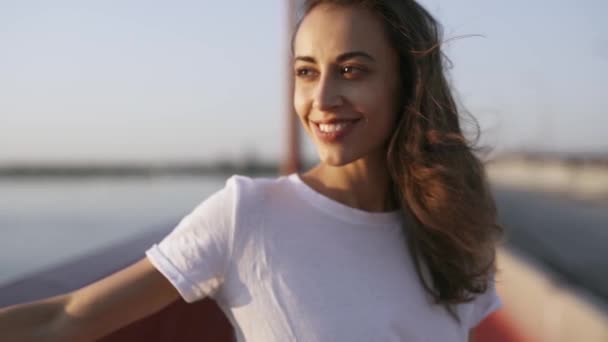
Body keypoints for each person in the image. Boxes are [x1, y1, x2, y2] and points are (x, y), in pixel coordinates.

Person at [0, 0, 505, 341]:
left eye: (352, 70)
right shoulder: (247, 214)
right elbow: (63, 318)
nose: (322, 100)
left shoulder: (449, 228)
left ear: (407, 83)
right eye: (306, 72)